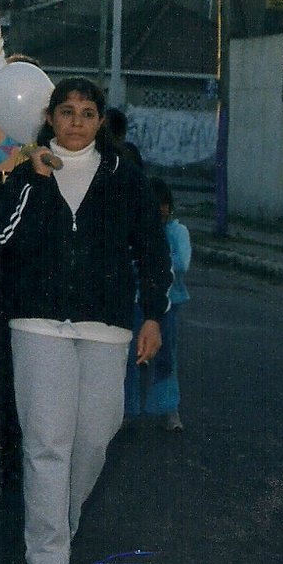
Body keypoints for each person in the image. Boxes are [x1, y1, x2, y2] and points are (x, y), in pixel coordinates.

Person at [0, 76, 171, 564]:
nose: (77, 123)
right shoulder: (28, 173)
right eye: (67, 112)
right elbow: (2, 236)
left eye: (88, 113)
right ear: (50, 117)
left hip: (105, 326)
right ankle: (47, 557)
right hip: (38, 321)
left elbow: (153, 252)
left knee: (93, 437)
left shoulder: (125, 178)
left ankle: (58, 526)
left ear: (100, 121)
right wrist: (33, 180)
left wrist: (152, 315)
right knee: (48, 441)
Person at [123, 177, 190, 431]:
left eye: (164, 206)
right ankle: (128, 408)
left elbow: (182, 263)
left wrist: (155, 261)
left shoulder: (177, 232)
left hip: (170, 304)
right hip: (136, 302)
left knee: (166, 357)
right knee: (131, 357)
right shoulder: (134, 230)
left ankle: (168, 408)